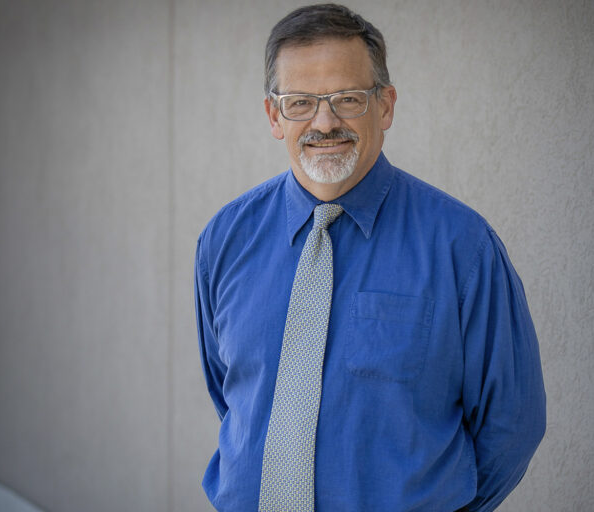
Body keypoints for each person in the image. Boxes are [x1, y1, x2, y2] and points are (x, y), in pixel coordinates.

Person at [194, 4, 546, 511]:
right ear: (274, 116)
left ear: (385, 106)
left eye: (347, 99)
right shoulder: (224, 239)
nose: (324, 121)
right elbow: (229, 395)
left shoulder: (462, 247)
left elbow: (513, 425)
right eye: (300, 102)